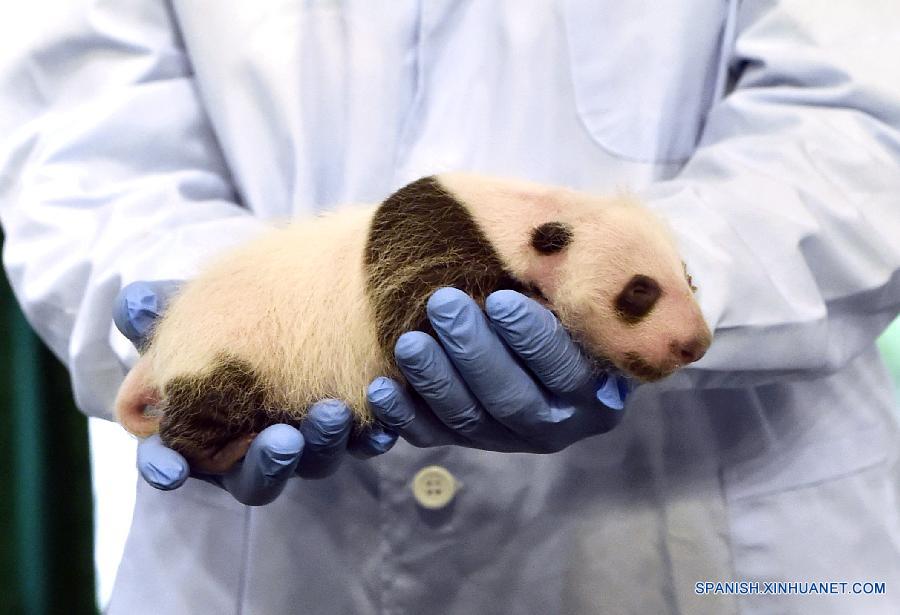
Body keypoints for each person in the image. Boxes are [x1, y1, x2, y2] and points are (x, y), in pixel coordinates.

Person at [1, 1, 899, 613]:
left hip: (721, 542)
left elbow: (867, 116)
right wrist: (203, 308)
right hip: (268, 566)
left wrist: (688, 263)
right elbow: (75, 148)